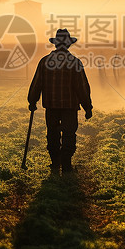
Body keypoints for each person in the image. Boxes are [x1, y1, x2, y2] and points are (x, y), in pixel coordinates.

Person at [27, 28, 92, 173]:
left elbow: (37, 83)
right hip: (70, 106)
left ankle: (55, 163)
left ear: (55, 44)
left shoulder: (45, 62)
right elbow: (82, 87)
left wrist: (32, 101)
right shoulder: (74, 62)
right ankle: (66, 164)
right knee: (69, 133)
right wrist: (88, 107)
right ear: (69, 45)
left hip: (51, 106)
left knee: (52, 133)